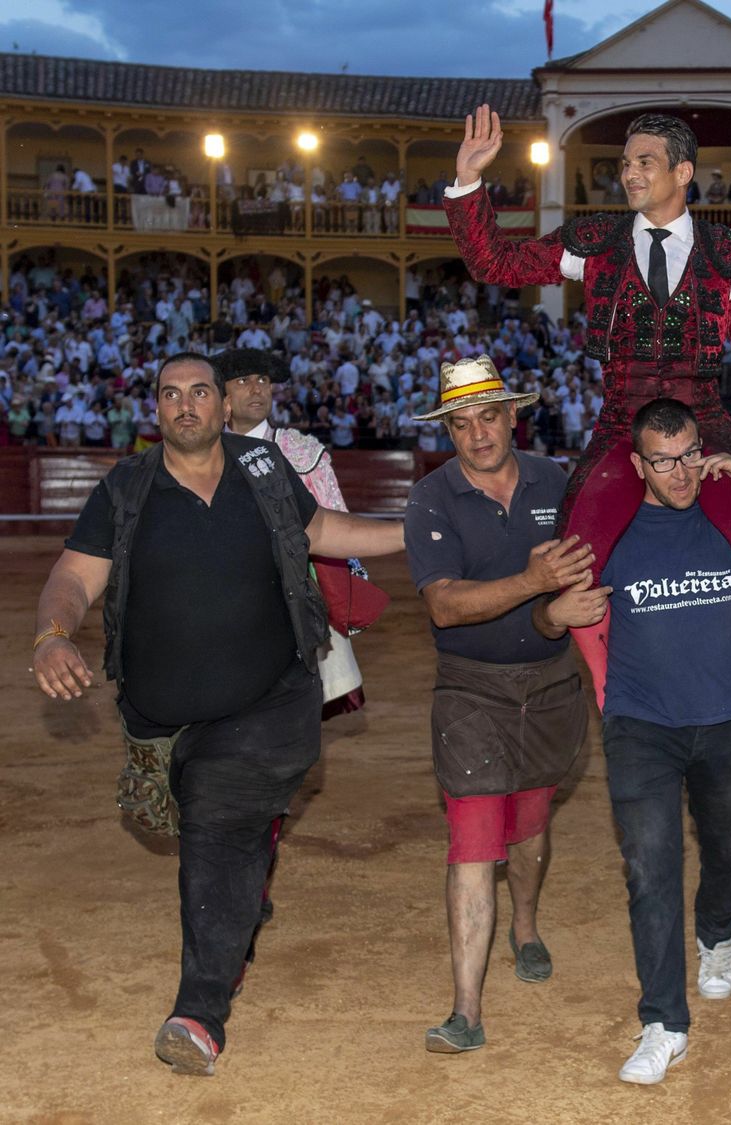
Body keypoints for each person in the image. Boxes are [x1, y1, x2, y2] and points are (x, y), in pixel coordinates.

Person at [30, 352, 405, 1077]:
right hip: (162, 719)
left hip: (267, 702)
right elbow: (74, 575)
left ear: (221, 405)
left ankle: (198, 1012)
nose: (186, 405)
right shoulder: (127, 488)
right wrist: (52, 634)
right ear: (157, 409)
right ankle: (239, 896)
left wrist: (412, 529)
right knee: (215, 832)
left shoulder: (265, 472)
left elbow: (322, 530)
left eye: (199, 392)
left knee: (216, 829)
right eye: (171, 395)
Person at [444, 106, 731, 699]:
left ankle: (720, 658)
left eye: (645, 162)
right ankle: (618, 692)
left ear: (683, 171)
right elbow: (494, 263)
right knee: (572, 564)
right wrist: (469, 182)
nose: (630, 174)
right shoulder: (596, 242)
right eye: (625, 163)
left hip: (703, 429)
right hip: (623, 425)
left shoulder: (730, 257)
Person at [567, 398, 731, 1085]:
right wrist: (552, 611)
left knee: (728, 852)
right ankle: (664, 1021)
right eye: (663, 459)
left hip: (725, 719)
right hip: (640, 725)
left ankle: (717, 934)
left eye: (690, 453)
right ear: (638, 464)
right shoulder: (614, 532)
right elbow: (556, 607)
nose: (680, 471)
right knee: (649, 866)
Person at [403, 359, 600, 1054]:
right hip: (470, 691)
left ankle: (525, 924)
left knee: (531, 828)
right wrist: (533, 581)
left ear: (514, 417)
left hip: (550, 686)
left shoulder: (557, 480)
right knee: (473, 842)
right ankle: (465, 1009)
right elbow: (445, 606)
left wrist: (557, 608)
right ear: (448, 430)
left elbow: (582, 576)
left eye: (488, 416)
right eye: (460, 423)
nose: (476, 433)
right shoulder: (432, 496)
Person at [219, 348, 369, 717]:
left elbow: (337, 520)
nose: (257, 389)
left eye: (263, 381)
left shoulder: (301, 451)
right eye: (243, 381)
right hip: (222, 597)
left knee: (288, 708)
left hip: (291, 598)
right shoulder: (203, 452)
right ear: (223, 396)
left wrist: (347, 589)